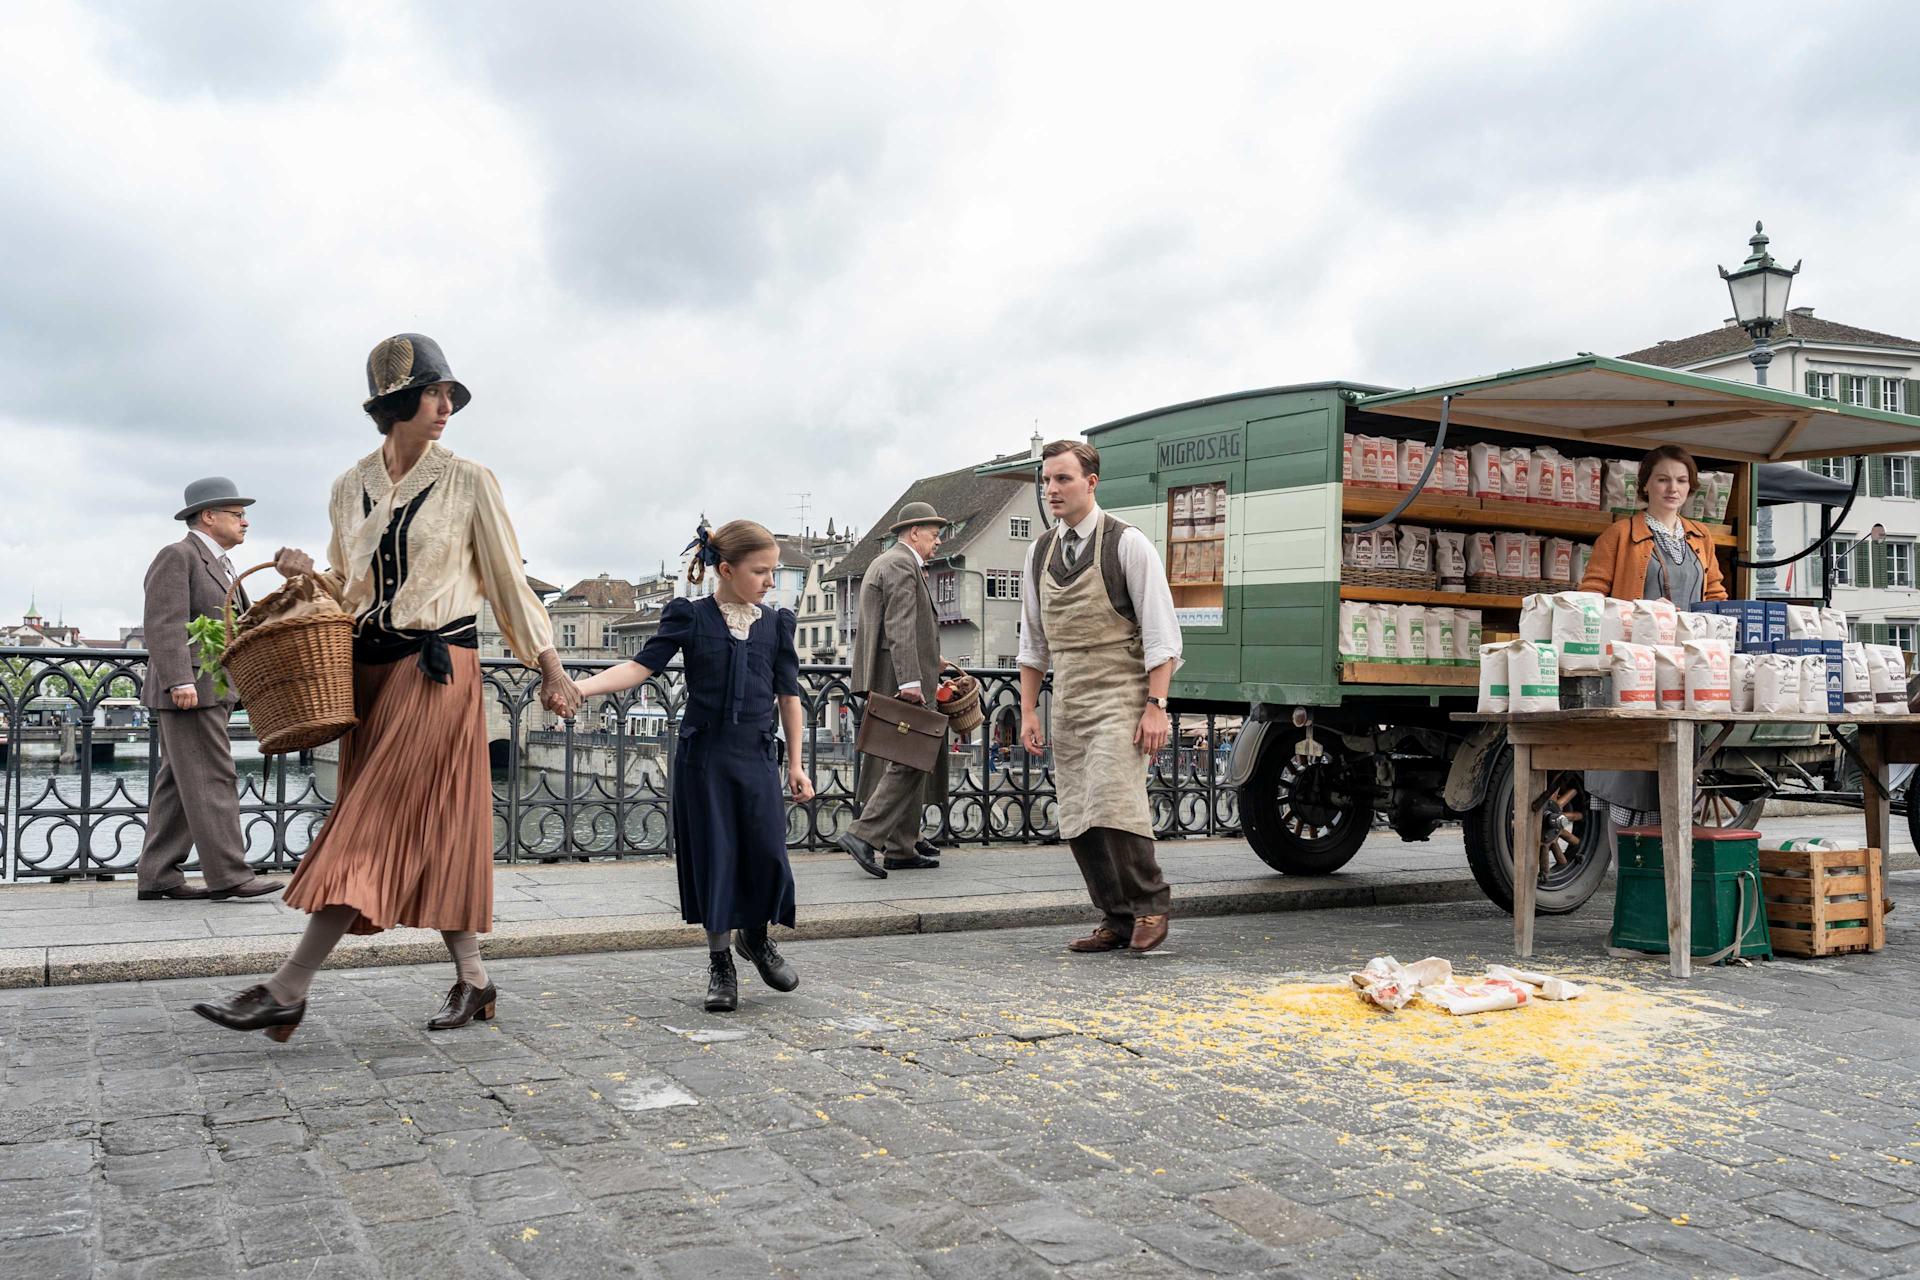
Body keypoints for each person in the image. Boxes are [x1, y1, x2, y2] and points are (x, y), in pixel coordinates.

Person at [191, 333, 581, 1042]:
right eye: (432, 394)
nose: (445, 407)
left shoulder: (470, 480)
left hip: (436, 673)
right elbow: (349, 587)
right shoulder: (349, 486)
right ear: (396, 405)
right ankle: (475, 980)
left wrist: (548, 664)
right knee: (433, 829)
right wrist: (306, 574)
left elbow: (506, 579)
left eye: (449, 395)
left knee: (366, 826)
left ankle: (287, 988)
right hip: (364, 675)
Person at [572, 520, 814, 1013]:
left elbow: (789, 697)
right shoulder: (691, 616)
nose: (770, 581)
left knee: (767, 854)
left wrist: (797, 763)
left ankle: (756, 937)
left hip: (756, 756)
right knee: (715, 857)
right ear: (726, 570)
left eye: (772, 571)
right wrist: (579, 688)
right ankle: (720, 962)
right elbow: (639, 667)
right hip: (704, 759)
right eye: (761, 571)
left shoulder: (776, 624)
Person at [1019, 441, 1182, 954]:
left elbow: (1161, 634)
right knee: (1078, 811)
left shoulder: (1127, 544)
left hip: (1121, 689)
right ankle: (1116, 916)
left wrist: (1156, 706)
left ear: (1091, 482)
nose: (1051, 490)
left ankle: (1150, 903)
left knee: (1114, 800)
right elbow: (1032, 641)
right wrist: (1028, 709)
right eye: (1047, 480)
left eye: (1063, 479)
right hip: (1070, 693)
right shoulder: (1039, 552)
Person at [136, 477, 285, 903]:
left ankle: (158, 875)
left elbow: (242, 622)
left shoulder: (223, 564)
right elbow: (164, 621)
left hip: (211, 689)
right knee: (213, 777)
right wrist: (179, 679)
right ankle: (230, 876)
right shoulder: (178, 555)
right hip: (191, 690)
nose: (245, 522)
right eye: (238, 514)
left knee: (180, 783)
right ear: (208, 516)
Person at [1578, 444, 1728, 831]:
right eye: (1663, 479)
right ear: (1645, 485)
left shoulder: (1701, 537)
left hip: (1684, 671)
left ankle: (1667, 856)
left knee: (1674, 766)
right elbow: (1590, 599)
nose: (1672, 488)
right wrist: (1637, 615)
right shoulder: (1620, 535)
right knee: (1630, 769)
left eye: (1681, 480)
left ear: (1691, 487)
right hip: (1635, 670)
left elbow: (1715, 595)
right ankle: (1628, 858)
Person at [838, 501, 949, 877]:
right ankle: (863, 835)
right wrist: (911, 682)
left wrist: (932, 661)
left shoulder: (887, 562)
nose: (938, 542)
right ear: (914, 533)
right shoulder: (902, 564)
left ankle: (901, 847)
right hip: (900, 679)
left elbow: (903, 626)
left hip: (891, 674)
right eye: (934, 535)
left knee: (909, 756)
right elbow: (899, 624)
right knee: (911, 757)